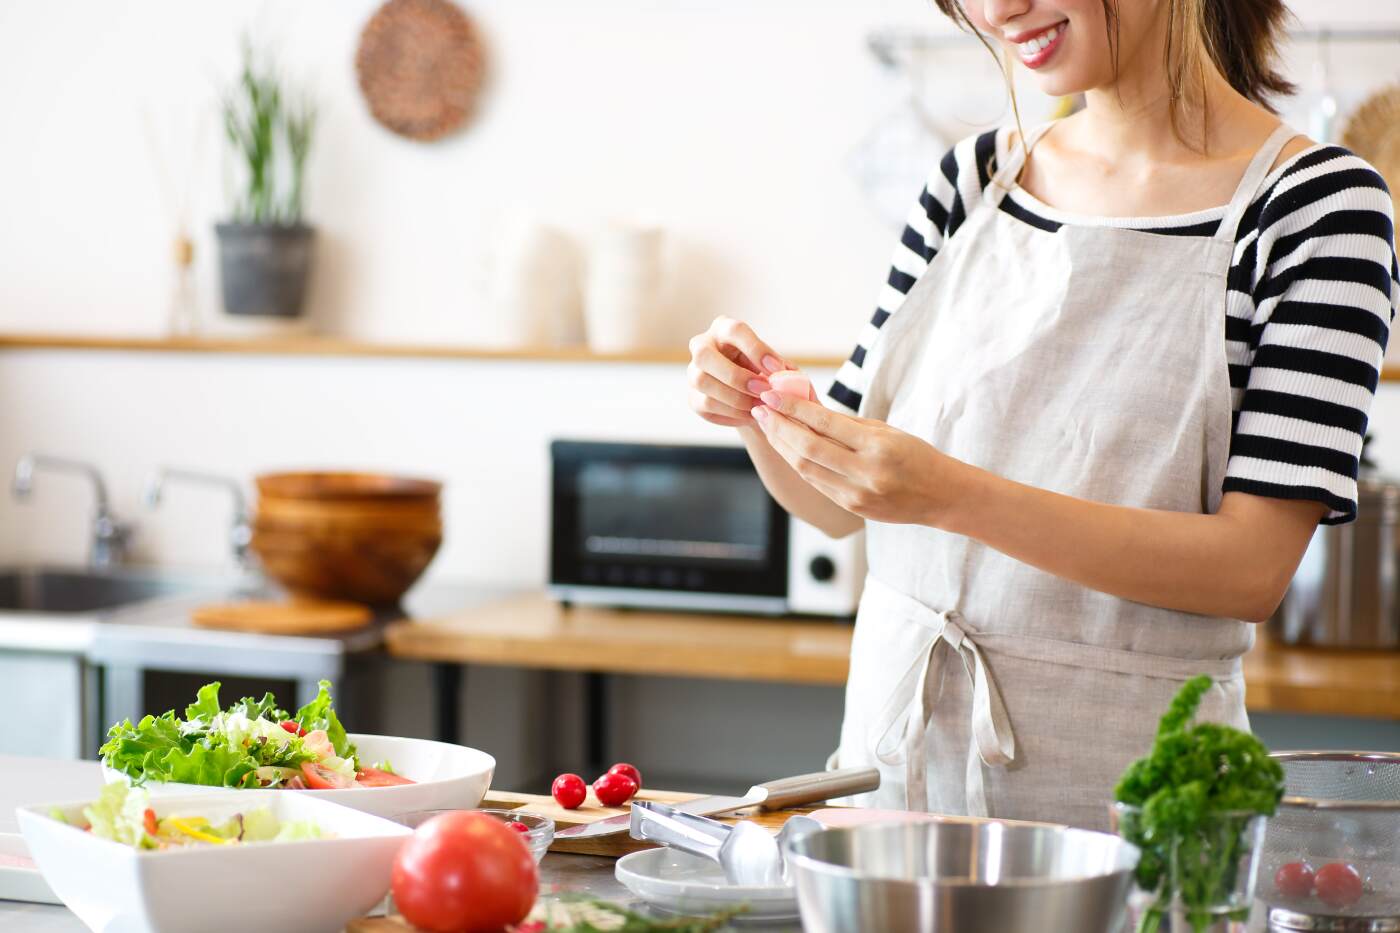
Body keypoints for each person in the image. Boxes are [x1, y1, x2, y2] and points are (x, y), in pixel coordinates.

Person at [686, 0, 1398, 829]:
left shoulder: (1319, 210)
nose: (997, 11)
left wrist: (952, 495)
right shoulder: (972, 180)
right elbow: (835, 505)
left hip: (1132, 817)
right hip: (889, 797)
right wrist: (761, 412)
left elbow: (1249, 570)